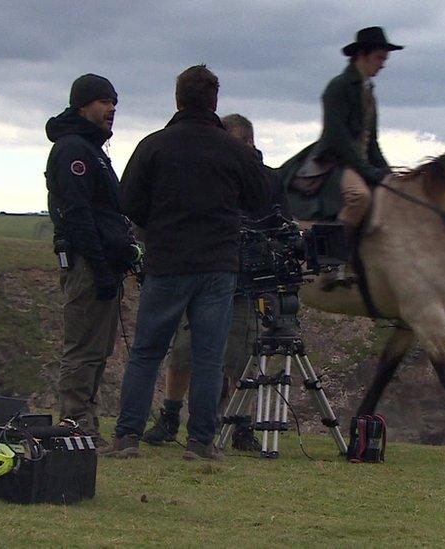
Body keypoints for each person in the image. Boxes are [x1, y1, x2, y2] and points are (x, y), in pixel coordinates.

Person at [103, 66, 270, 460]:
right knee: (209, 356)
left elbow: (128, 202)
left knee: (147, 352)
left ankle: (127, 436)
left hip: (168, 262)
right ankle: (200, 442)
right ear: (214, 101)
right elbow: (261, 197)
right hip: (218, 265)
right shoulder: (232, 150)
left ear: (177, 99)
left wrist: (158, 225)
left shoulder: (155, 145)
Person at [140, 113, 285, 450]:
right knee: (184, 352)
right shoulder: (213, 168)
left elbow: (280, 223)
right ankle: (170, 416)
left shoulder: (268, 180)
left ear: (248, 143)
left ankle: (240, 425)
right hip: (209, 272)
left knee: (240, 357)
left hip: (246, 282)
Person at [44, 73, 140, 448]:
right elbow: (77, 214)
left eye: (114, 102)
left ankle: (86, 424)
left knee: (98, 350)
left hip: (102, 263)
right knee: (83, 348)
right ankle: (74, 425)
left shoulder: (93, 150)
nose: (111, 109)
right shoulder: (73, 150)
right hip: (87, 264)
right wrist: (99, 265)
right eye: (104, 101)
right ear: (82, 105)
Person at [280, 26, 403, 285]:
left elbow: (371, 141)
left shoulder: (368, 91)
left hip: (357, 162)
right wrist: (367, 170)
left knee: (391, 194)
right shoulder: (338, 87)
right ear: (363, 55)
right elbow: (338, 137)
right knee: (359, 197)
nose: (383, 64)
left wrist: (388, 173)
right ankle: (331, 264)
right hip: (335, 159)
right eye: (380, 58)